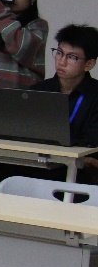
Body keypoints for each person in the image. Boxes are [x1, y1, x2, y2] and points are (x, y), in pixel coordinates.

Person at [31, 24, 98, 180]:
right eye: (59, 53)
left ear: (89, 64)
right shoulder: (38, 91)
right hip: (38, 164)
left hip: (79, 171)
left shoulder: (95, 95)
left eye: (72, 57)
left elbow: (92, 144)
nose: (62, 61)